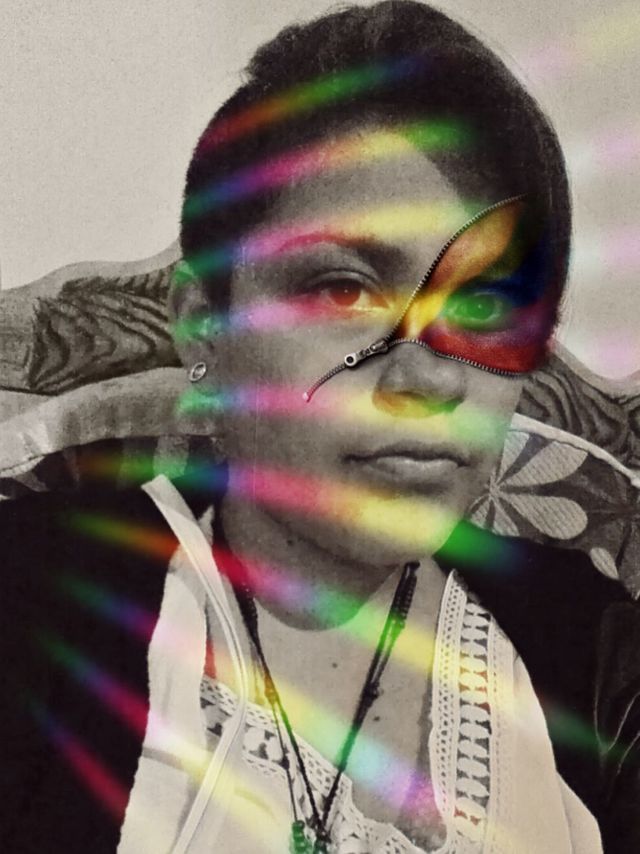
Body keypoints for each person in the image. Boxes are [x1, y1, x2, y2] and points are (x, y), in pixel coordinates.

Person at [1, 2, 638, 853]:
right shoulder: (32, 602)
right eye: (344, 288)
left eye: (485, 305)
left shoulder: (597, 660)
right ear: (204, 327)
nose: (427, 377)